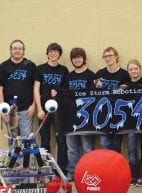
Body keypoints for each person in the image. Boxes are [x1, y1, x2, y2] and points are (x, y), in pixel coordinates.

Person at [34, 42, 69, 173]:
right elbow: (36, 89)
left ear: (59, 54)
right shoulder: (40, 69)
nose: (53, 54)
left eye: (55, 51)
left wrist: (58, 93)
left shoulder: (64, 70)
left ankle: (60, 168)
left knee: (61, 140)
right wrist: (39, 109)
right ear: (47, 53)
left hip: (60, 111)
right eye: (51, 51)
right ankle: (45, 168)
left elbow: (66, 90)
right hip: (44, 109)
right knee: (45, 140)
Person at [63, 47, 96, 181]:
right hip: (70, 118)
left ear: (84, 59)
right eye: (74, 58)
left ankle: (88, 173)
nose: (77, 60)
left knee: (87, 147)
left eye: (79, 57)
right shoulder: (68, 76)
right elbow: (63, 95)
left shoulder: (91, 76)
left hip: (86, 118)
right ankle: (72, 173)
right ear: (72, 60)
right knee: (72, 149)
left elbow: (95, 97)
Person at [0, 39, 36, 137]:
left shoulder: (31, 66)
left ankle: (26, 153)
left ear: (23, 51)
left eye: (20, 49)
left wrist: (33, 106)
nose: (17, 51)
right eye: (15, 48)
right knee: (13, 141)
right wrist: (2, 109)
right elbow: (0, 89)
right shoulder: (3, 66)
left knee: (26, 140)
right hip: (9, 110)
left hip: (26, 110)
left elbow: (36, 87)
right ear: (10, 50)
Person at [95, 47, 129, 152]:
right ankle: (106, 168)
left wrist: (125, 89)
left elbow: (129, 94)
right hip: (103, 113)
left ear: (116, 57)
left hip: (118, 114)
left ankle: (115, 168)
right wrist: (96, 87)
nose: (107, 58)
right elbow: (93, 94)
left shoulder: (124, 74)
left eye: (110, 56)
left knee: (116, 145)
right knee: (104, 143)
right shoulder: (100, 73)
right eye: (105, 56)